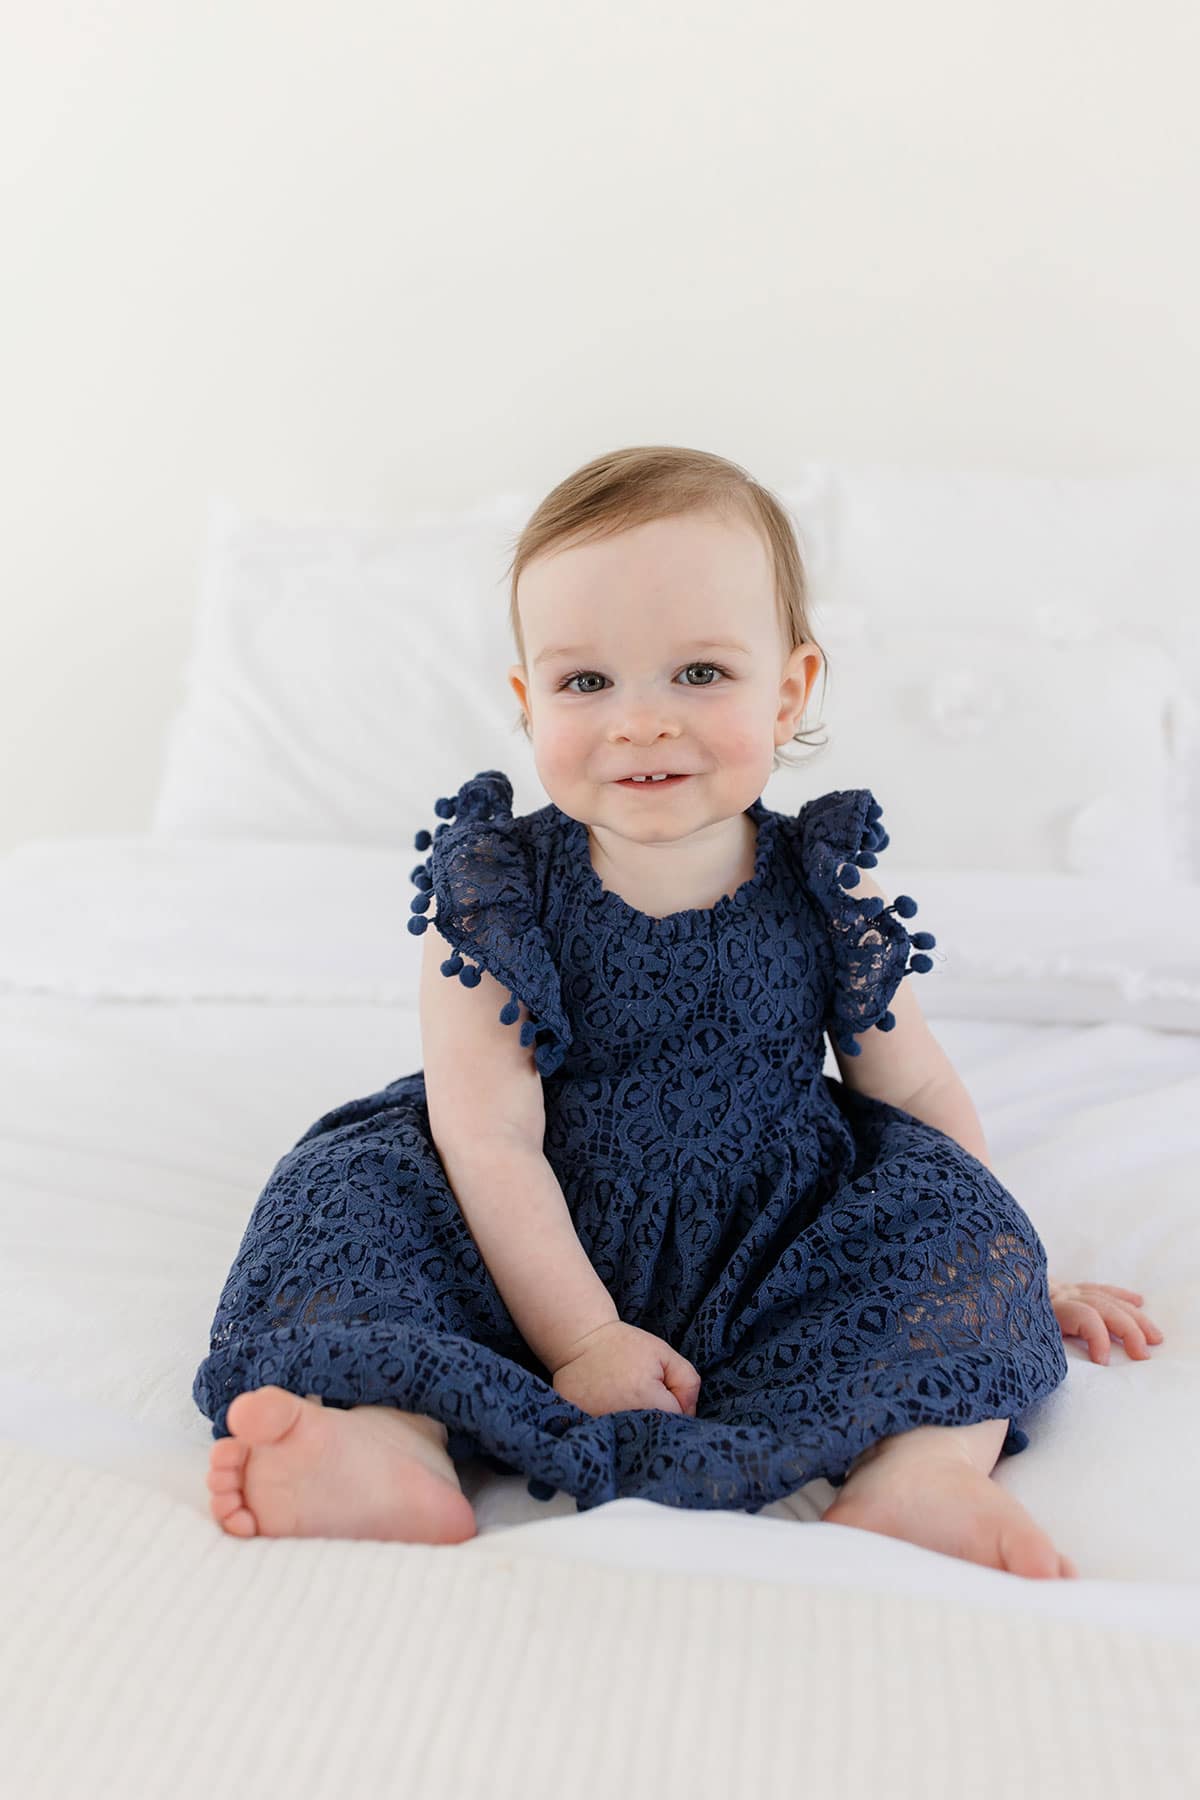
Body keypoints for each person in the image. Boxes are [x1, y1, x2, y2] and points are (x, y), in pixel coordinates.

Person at [194, 444, 1164, 1573]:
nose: (641, 721)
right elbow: (487, 1132)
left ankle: (923, 1478)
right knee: (349, 1201)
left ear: (791, 689)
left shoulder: (821, 884)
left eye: (699, 674)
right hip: (525, 1226)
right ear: (526, 701)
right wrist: (587, 1337)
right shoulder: (497, 891)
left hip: (773, 1237)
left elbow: (917, 1086)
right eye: (587, 682)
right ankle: (385, 1445)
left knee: (956, 1232)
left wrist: (1010, 1263)